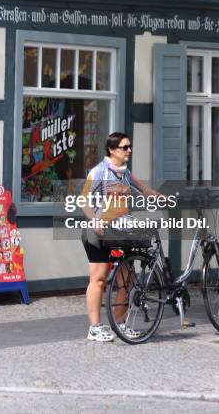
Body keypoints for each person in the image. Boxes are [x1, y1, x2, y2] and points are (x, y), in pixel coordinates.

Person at [80, 132, 164, 342]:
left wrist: (163, 197)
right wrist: (95, 221)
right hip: (97, 232)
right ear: (112, 150)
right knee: (98, 280)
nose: (129, 151)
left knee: (128, 282)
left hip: (120, 232)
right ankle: (95, 328)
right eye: (125, 147)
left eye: (129, 147)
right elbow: (83, 200)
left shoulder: (124, 173)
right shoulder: (99, 172)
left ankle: (120, 325)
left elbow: (143, 189)